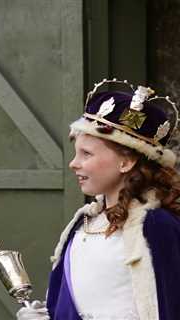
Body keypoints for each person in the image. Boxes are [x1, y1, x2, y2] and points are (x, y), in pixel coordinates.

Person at [17, 79, 180, 320]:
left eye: (87, 154)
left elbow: (171, 307)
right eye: (76, 153)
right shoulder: (84, 223)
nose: (74, 163)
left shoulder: (156, 225)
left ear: (126, 162)